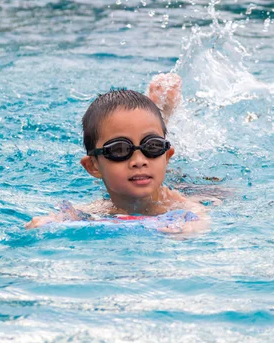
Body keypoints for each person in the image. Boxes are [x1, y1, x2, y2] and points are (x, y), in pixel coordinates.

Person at [25, 73, 209, 233]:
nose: (139, 161)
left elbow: (200, 219)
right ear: (92, 166)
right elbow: (65, 215)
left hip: (197, 187)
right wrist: (48, 221)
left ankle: (160, 115)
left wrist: (193, 228)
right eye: (120, 150)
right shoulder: (99, 209)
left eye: (153, 146)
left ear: (167, 156)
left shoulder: (180, 205)